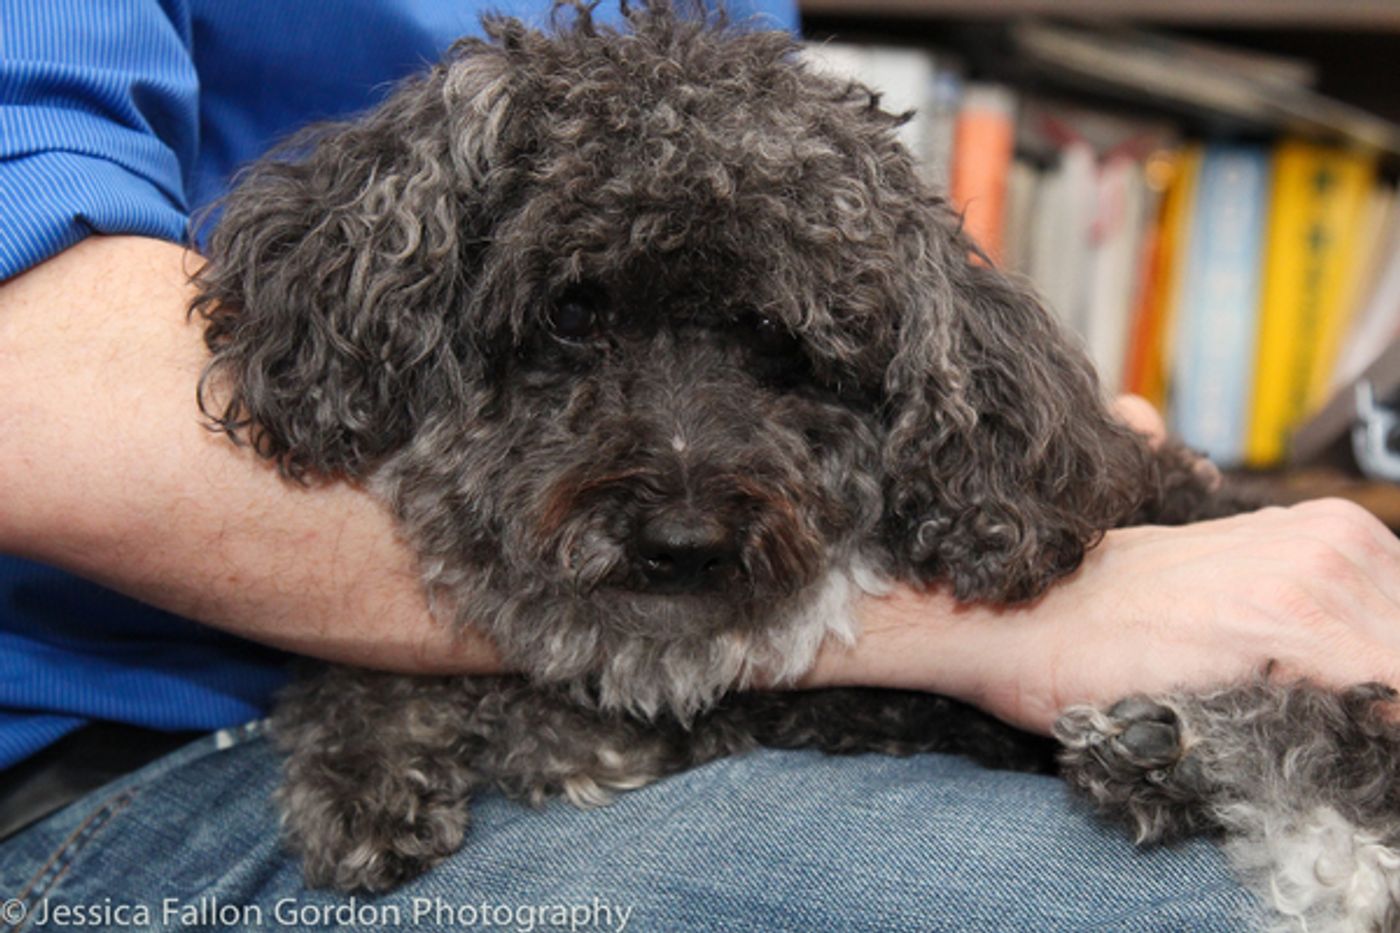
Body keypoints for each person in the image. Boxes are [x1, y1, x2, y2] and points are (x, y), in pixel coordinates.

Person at [1, 1, 1397, 928]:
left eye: (765, 359)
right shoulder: (450, 166)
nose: (677, 482)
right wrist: (972, 625)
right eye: (575, 324)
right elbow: (35, 388)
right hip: (123, 778)